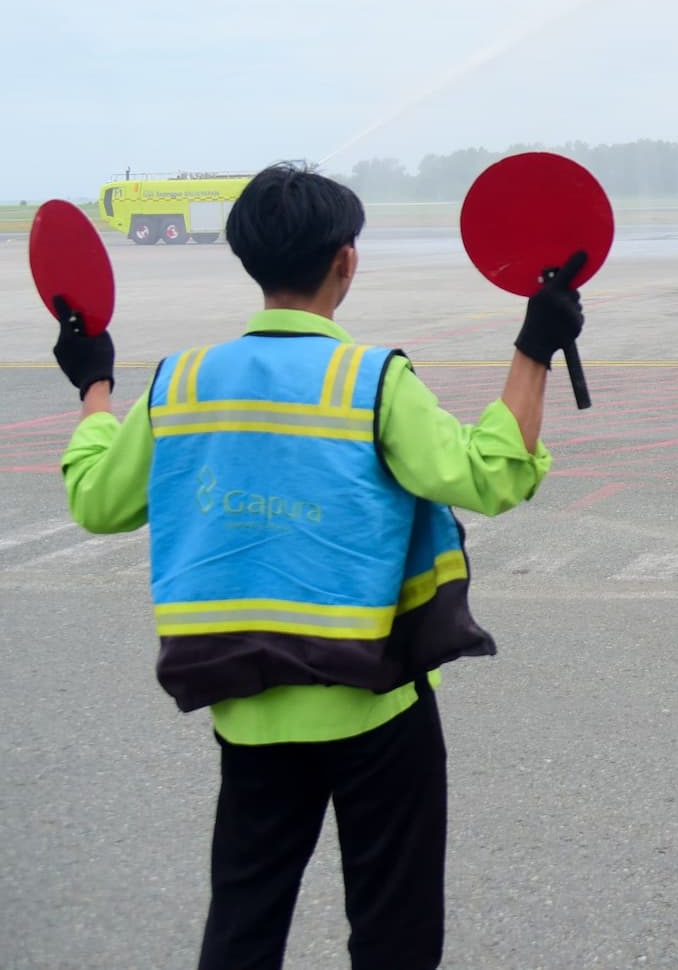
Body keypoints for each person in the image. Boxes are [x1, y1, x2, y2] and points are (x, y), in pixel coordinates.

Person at [54, 162, 586, 970]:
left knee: (244, 919)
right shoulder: (373, 382)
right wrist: (534, 346)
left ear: (249, 260)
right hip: (376, 705)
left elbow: (97, 501)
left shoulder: (179, 382)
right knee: (393, 929)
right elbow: (490, 474)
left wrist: (96, 386)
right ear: (347, 261)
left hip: (244, 702)